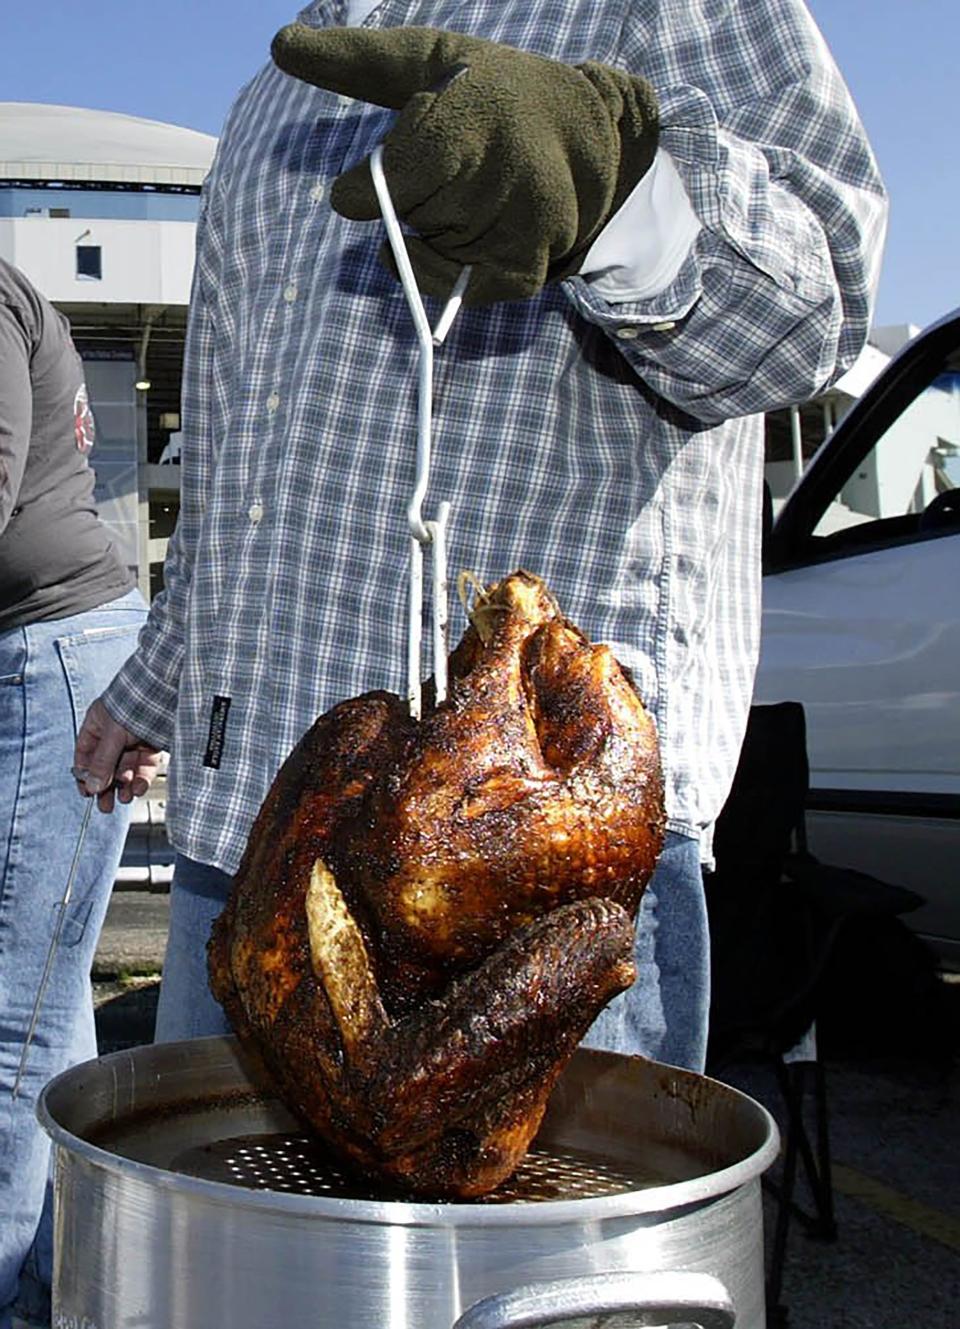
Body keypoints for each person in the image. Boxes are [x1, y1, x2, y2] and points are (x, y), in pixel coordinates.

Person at [75, 1, 886, 1075]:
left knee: (518, 1229)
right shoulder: (276, 92)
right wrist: (156, 679)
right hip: (241, 839)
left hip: (530, 866)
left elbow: (811, 316)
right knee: (223, 1238)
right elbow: (241, 458)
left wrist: (621, 186)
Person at [0, 257, 151, 1329]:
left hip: (51, 656)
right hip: (47, 654)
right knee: (44, 1009)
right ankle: (69, 1287)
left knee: (15, 1017)